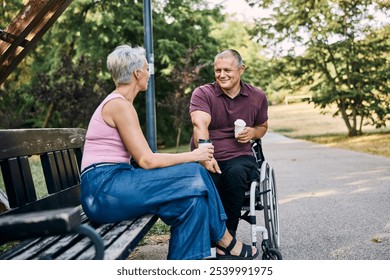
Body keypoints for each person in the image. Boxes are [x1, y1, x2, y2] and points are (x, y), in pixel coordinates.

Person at [80, 45, 258, 260]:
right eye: (147, 69)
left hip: (113, 186)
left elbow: (144, 158)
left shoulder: (121, 104)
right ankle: (225, 239)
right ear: (137, 73)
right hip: (104, 190)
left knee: (192, 204)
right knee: (195, 171)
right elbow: (146, 160)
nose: (149, 74)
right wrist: (194, 156)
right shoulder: (119, 106)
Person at [189, 49, 269, 237]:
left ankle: (227, 236)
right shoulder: (203, 93)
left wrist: (253, 132)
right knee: (209, 176)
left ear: (241, 69)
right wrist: (205, 155)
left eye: (227, 70)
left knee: (236, 173)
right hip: (207, 153)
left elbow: (263, 127)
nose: (222, 75)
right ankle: (209, 236)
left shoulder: (257, 96)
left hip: (239, 156)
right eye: (218, 71)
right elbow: (199, 123)